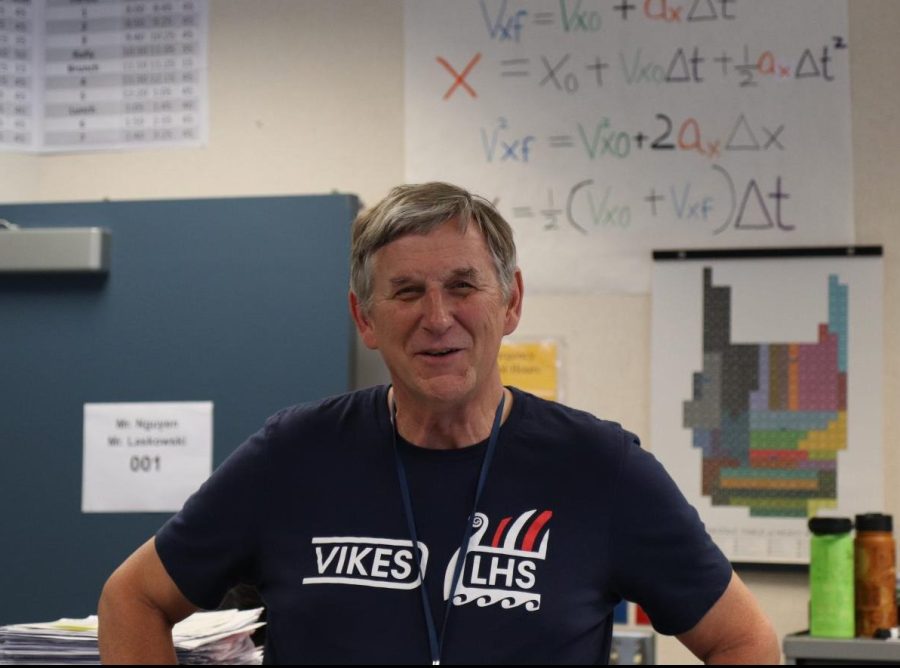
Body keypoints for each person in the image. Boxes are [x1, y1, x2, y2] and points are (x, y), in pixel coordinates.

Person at [98, 182, 780, 664]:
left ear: (510, 303)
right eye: (405, 292)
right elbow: (133, 599)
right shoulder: (291, 456)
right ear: (365, 318)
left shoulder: (600, 468)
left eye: (462, 286)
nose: (437, 317)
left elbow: (745, 640)